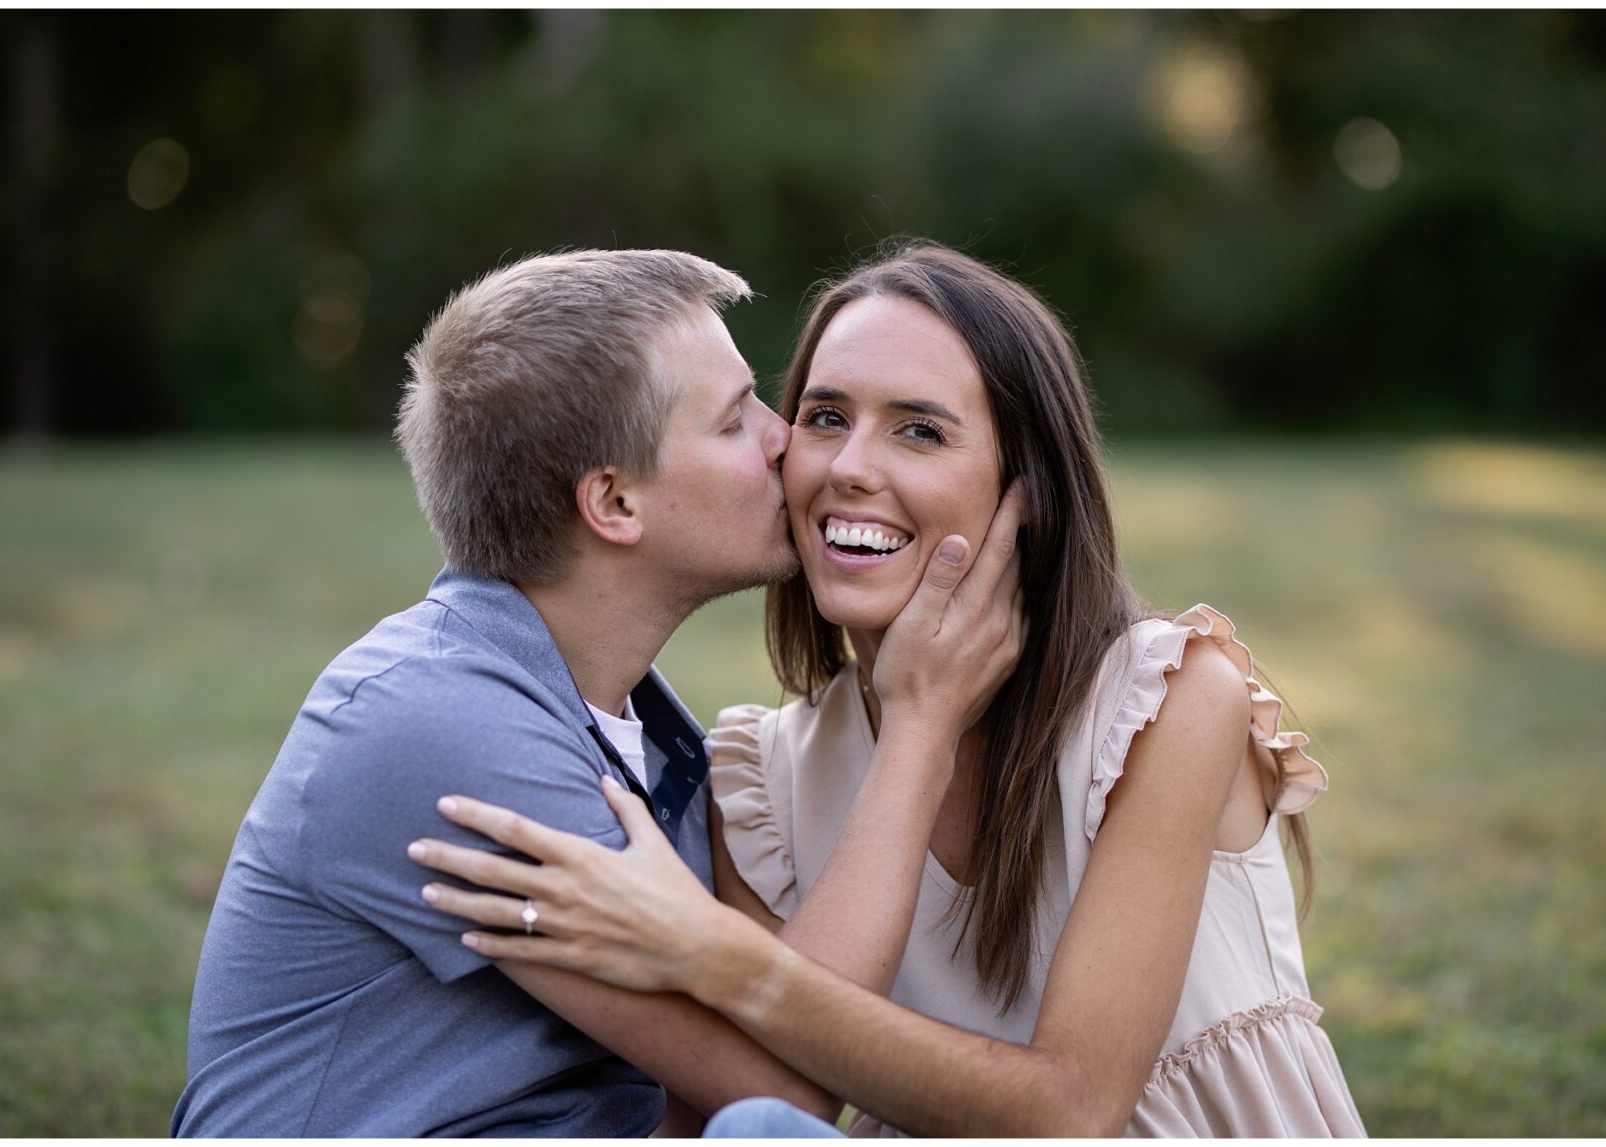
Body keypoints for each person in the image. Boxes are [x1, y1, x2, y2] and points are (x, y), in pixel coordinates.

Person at [410, 242, 1366, 1136]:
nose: (849, 467)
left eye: (919, 431)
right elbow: (756, 1095)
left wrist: (706, 948)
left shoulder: (1165, 700)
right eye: (826, 417)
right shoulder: (761, 784)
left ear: (1025, 485)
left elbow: (1074, 1112)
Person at [171, 250, 1020, 1136]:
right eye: (735, 421)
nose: (784, 439)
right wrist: (922, 720)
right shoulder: (437, 723)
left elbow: (706, 1078)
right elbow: (788, 1083)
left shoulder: (634, 731)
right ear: (614, 502)